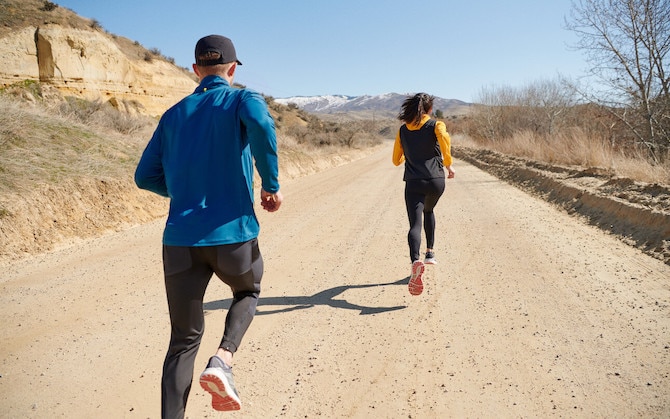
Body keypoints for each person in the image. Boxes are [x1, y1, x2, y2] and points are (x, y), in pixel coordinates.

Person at [134, 34, 283, 417]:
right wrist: (270, 185)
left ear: (195, 70)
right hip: (232, 233)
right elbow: (262, 126)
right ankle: (222, 359)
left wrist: (185, 191)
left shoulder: (173, 114)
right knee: (248, 291)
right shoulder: (243, 99)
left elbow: (144, 177)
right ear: (232, 69)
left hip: (179, 242)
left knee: (182, 340)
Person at [392, 93, 455, 296]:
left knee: (415, 224)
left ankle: (415, 262)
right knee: (429, 210)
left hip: (413, 182)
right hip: (436, 181)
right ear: (429, 109)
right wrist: (448, 165)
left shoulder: (403, 130)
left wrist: (410, 155)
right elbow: (444, 140)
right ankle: (430, 253)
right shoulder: (436, 125)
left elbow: (396, 160)